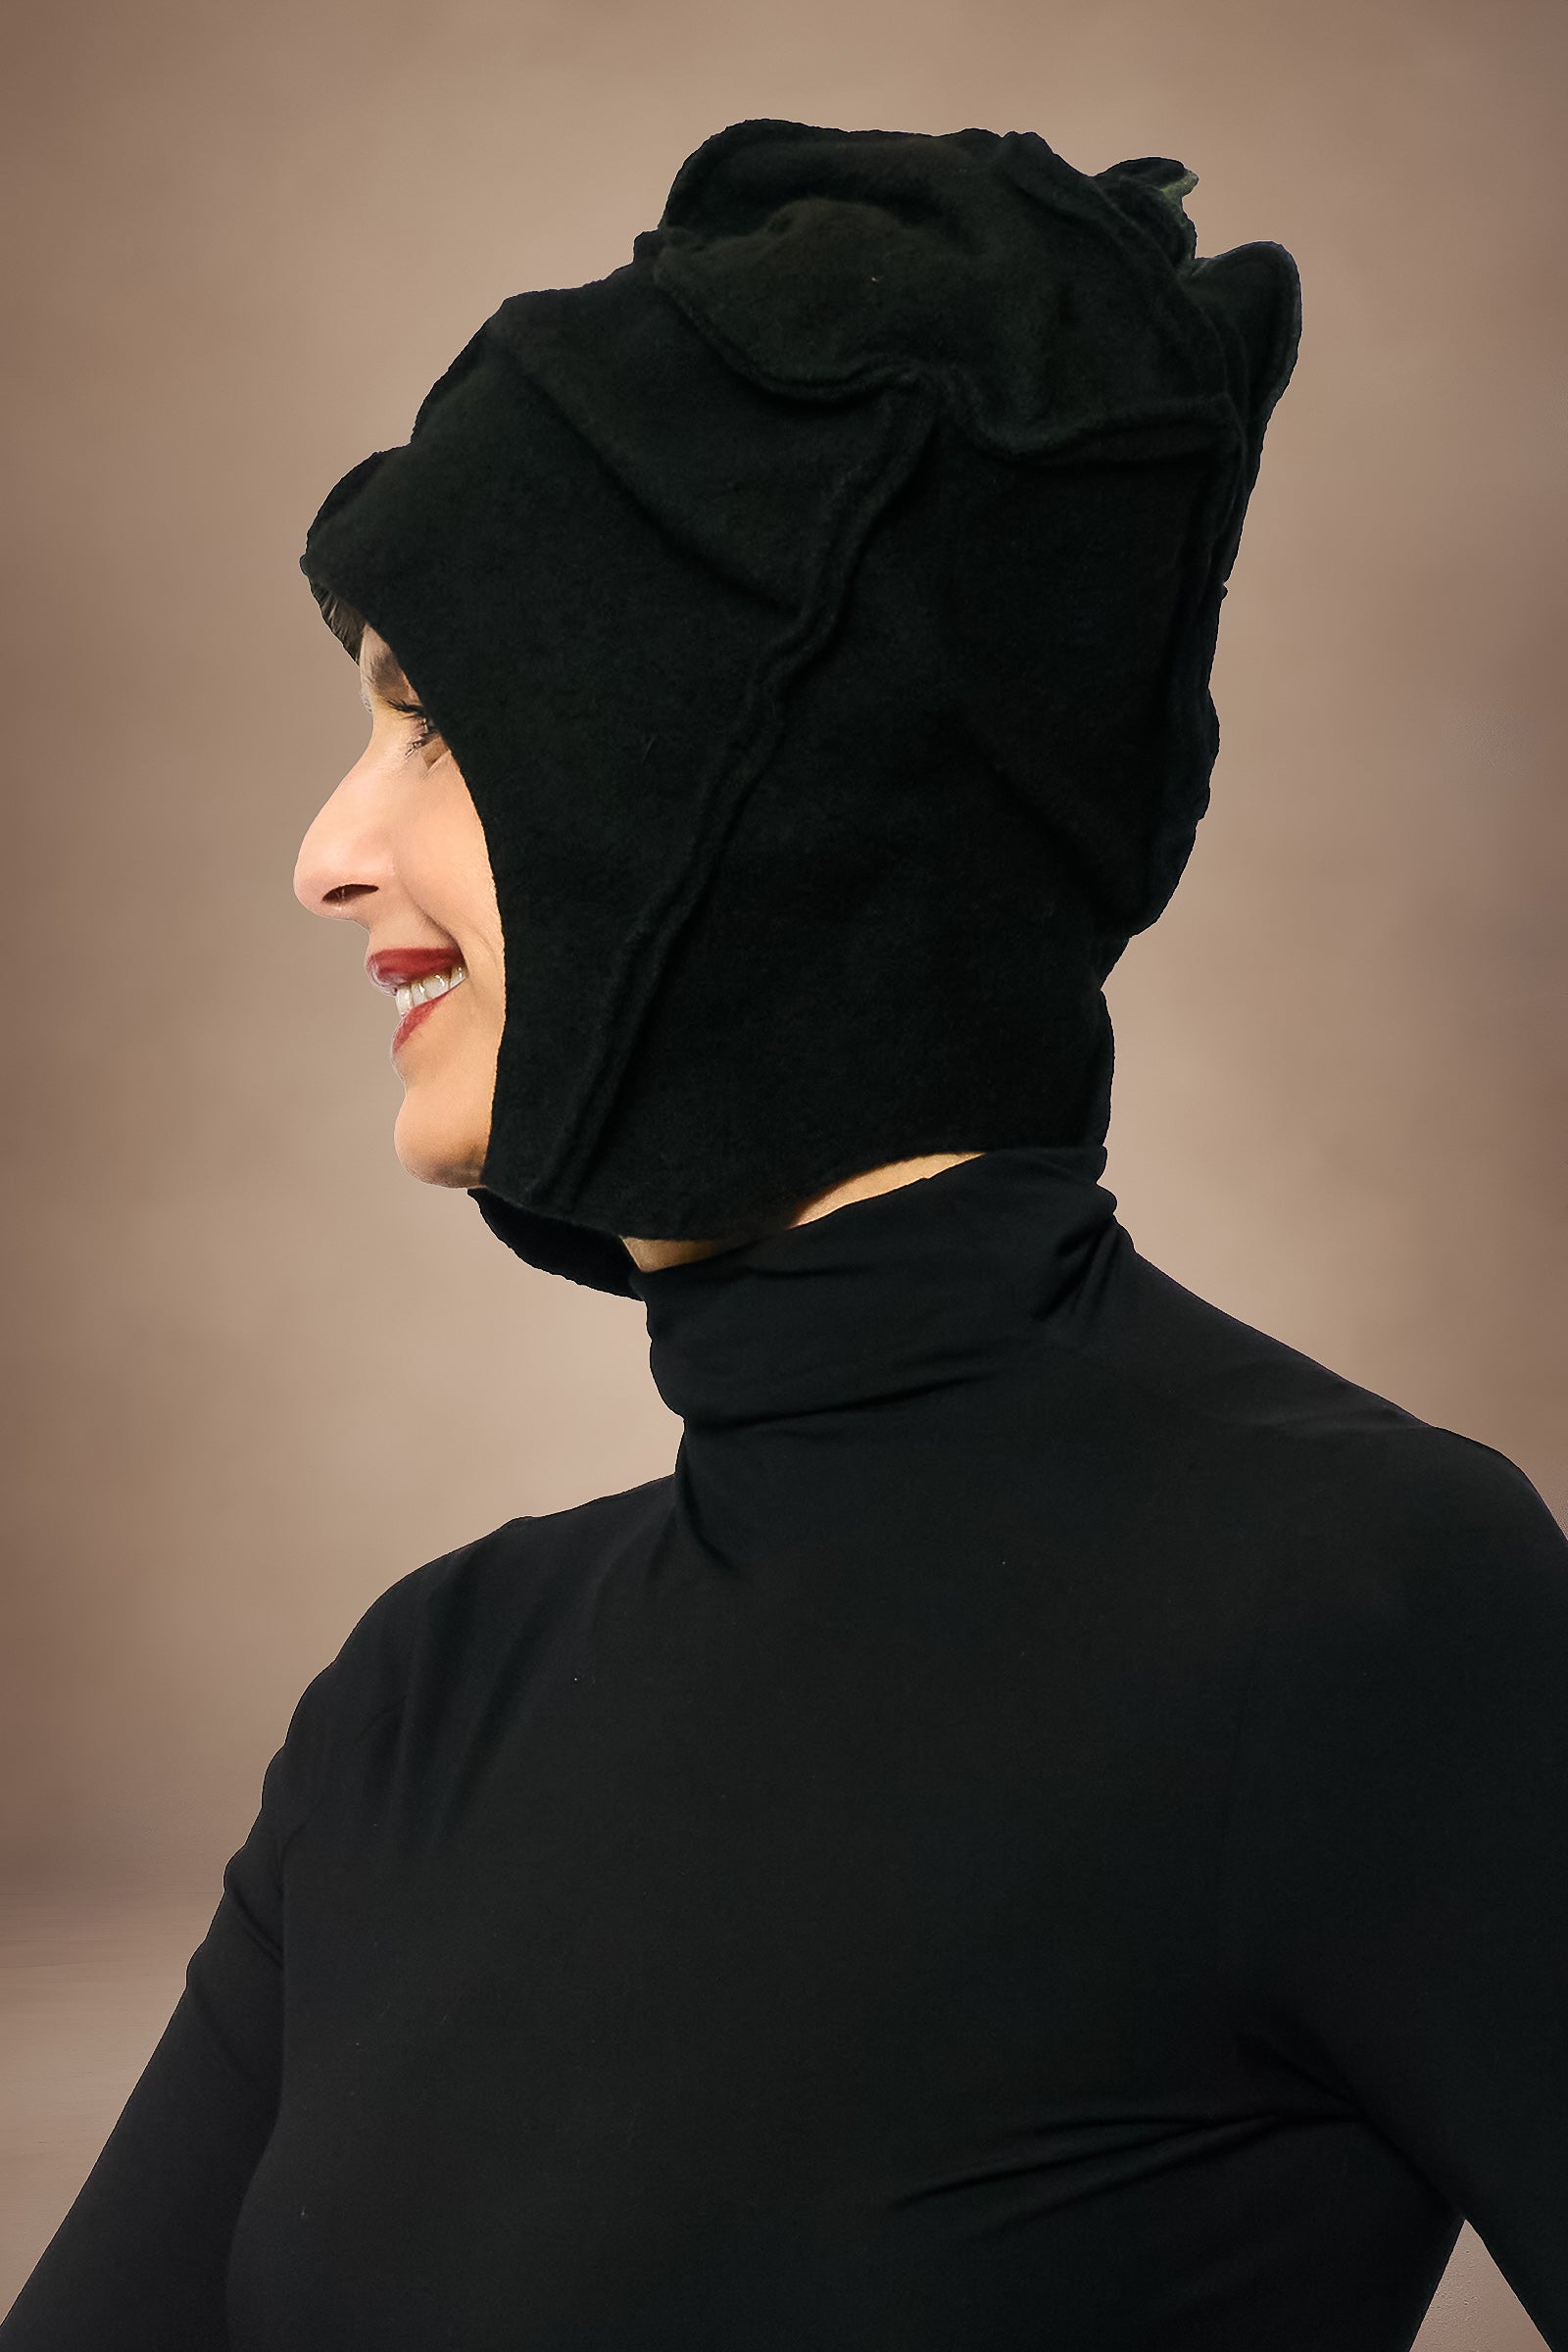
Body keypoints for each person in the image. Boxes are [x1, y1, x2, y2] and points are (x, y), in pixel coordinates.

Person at [5, 117, 1567, 2352]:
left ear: (743, 790)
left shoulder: (1362, 1611)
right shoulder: (432, 1691)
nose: (325, 855)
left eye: (434, 726)